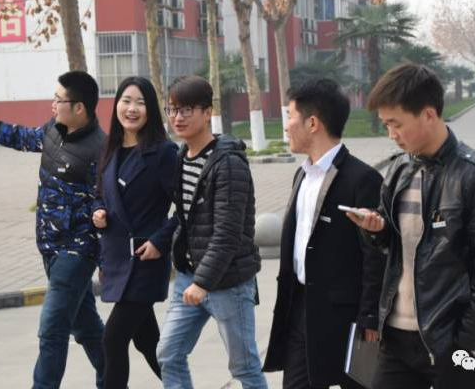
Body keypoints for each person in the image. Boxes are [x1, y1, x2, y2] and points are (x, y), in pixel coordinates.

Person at [346, 64, 475, 389]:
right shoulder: (399, 171)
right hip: (396, 340)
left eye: (396, 124)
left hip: (453, 342)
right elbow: (393, 247)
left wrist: (466, 339)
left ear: (428, 115)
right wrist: (376, 229)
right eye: (386, 125)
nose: (391, 134)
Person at [0, 71, 106, 389]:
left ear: (79, 108)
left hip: (77, 251)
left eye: (59, 99)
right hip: (50, 247)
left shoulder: (100, 150)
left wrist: (103, 228)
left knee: (52, 329)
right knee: (86, 327)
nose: (53, 104)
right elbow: (19, 136)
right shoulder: (53, 130)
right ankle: (114, 380)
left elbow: (108, 201)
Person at [262, 78, 386, 389]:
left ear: (313, 123)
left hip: (344, 315)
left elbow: (375, 254)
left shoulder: (362, 179)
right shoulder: (302, 175)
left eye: (290, 116)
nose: (286, 126)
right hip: (300, 307)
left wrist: (370, 316)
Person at [156, 75, 268, 389]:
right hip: (189, 277)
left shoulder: (229, 163)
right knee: (168, 353)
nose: (178, 117)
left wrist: (203, 283)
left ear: (208, 113)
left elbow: (228, 233)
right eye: (172, 109)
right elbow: (184, 217)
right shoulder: (182, 156)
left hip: (228, 282)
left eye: (186, 109)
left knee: (244, 368)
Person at [91, 76, 178, 388]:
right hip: (116, 260)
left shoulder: (164, 152)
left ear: (150, 109)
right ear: (116, 106)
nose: (132, 109)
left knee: (112, 339)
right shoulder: (110, 149)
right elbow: (100, 194)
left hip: (145, 261)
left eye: (140, 103)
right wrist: (97, 212)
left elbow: (186, 208)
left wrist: (160, 241)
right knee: (148, 342)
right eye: (126, 101)